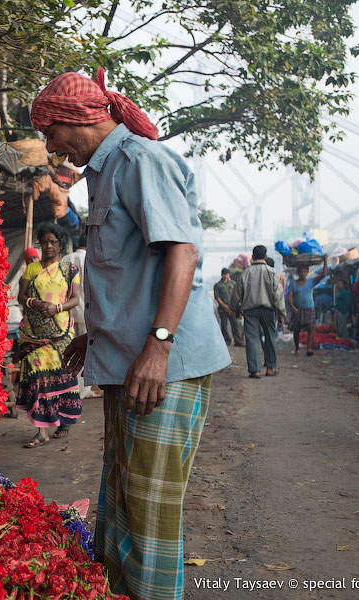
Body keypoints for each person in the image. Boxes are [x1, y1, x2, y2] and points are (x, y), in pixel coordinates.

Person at [32, 68, 230, 600]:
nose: (52, 148)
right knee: (120, 497)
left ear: (76, 121)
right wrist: (92, 335)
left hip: (163, 366)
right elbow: (124, 272)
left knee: (147, 509)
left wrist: (158, 347)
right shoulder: (105, 171)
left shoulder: (141, 161)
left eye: (51, 134)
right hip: (128, 362)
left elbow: (180, 253)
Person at [16, 223, 82, 446]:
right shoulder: (33, 269)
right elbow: (21, 297)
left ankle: (63, 420)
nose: (48, 246)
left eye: (53, 242)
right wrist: (35, 303)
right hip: (34, 335)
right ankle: (41, 429)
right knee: (37, 378)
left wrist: (57, 308)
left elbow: (75, 298)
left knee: (62, 376)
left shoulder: (69, 269)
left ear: (60, 244)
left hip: (61, 334)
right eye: (44, 242)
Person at [235, 245, 286, 378]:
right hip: (268, 310)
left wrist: (235, 308)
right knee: (270, 338)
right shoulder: (272, 272)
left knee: (252, 339)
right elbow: (278, 295)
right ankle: (270, 368)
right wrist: (282, 314)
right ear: (265, 257)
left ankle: (255, 370)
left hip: (250, 311)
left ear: (252, 257)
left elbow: (237, 294)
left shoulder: (245, 273)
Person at [62, 235, 96, 398]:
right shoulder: (92, 258)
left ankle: (66, 387)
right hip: (86, 310)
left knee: (69, 350)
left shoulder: (66, 258)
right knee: (84, 352)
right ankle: (82, 391)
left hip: (66, 311)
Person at [288, 256, 329, 356]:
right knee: (296, 330)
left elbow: (324, 274)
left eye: (304, 271)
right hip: (297, 310)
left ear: (307, 272)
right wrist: (293, 307)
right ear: (298, 273)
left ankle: (309, 349)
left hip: (309, 309)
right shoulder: (293, 283)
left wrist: (325, 260)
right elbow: (289, 297)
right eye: (300, 271)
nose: (302, 273)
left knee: (311, 329)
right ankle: (297, 348)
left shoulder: (311, 281)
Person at [214, 268, 243, 347]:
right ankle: (227, 341)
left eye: (227, 274)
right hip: (222, 309)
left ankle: (238, 341)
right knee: (224, 326)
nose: (226, 276)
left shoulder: (233, 283)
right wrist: (225, 307)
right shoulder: (217, 285)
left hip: (233, 308)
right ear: (222, 275)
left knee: (235, 325)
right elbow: (217, 298)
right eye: (225, 274)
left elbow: (237, 295)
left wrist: (235, 307)